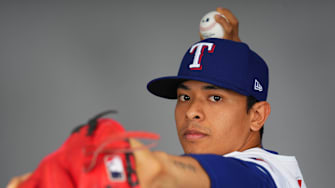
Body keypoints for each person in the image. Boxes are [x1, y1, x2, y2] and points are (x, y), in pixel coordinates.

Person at [7, 7, 306, 188]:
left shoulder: (264, 176)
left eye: (215, 98)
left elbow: (160, 173)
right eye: (184, 97)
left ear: (257, 115)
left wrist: (128, 166)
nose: (192, 112)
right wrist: (232, 53)